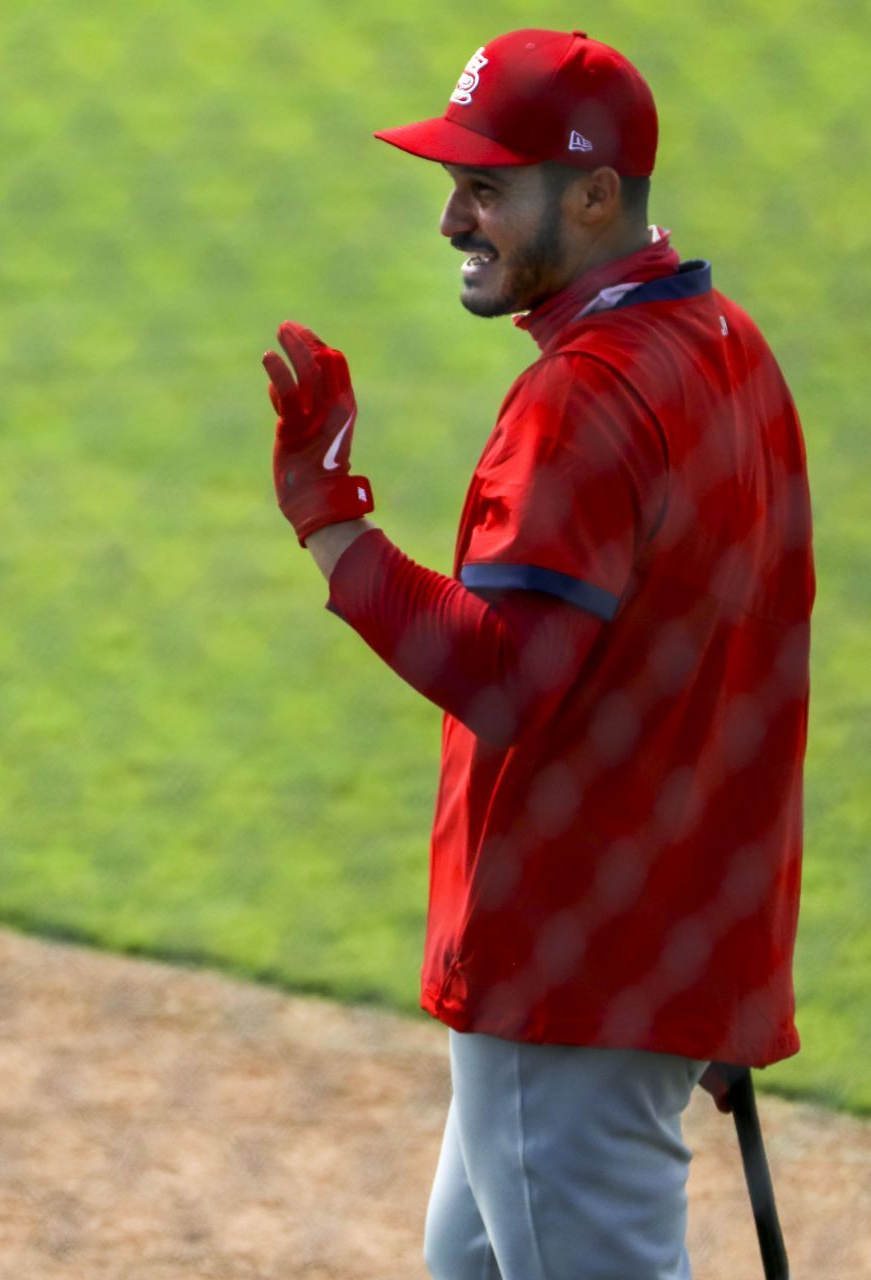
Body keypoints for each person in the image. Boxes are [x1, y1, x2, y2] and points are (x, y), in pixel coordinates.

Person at [261, 29, 812, 1279]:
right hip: (664, 940)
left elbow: (506, 679)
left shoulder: (583, 395)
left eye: (488, 189)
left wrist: (329, 518)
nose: (454, 219)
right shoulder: (730, 352)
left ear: (595, 194)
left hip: (568, 968)